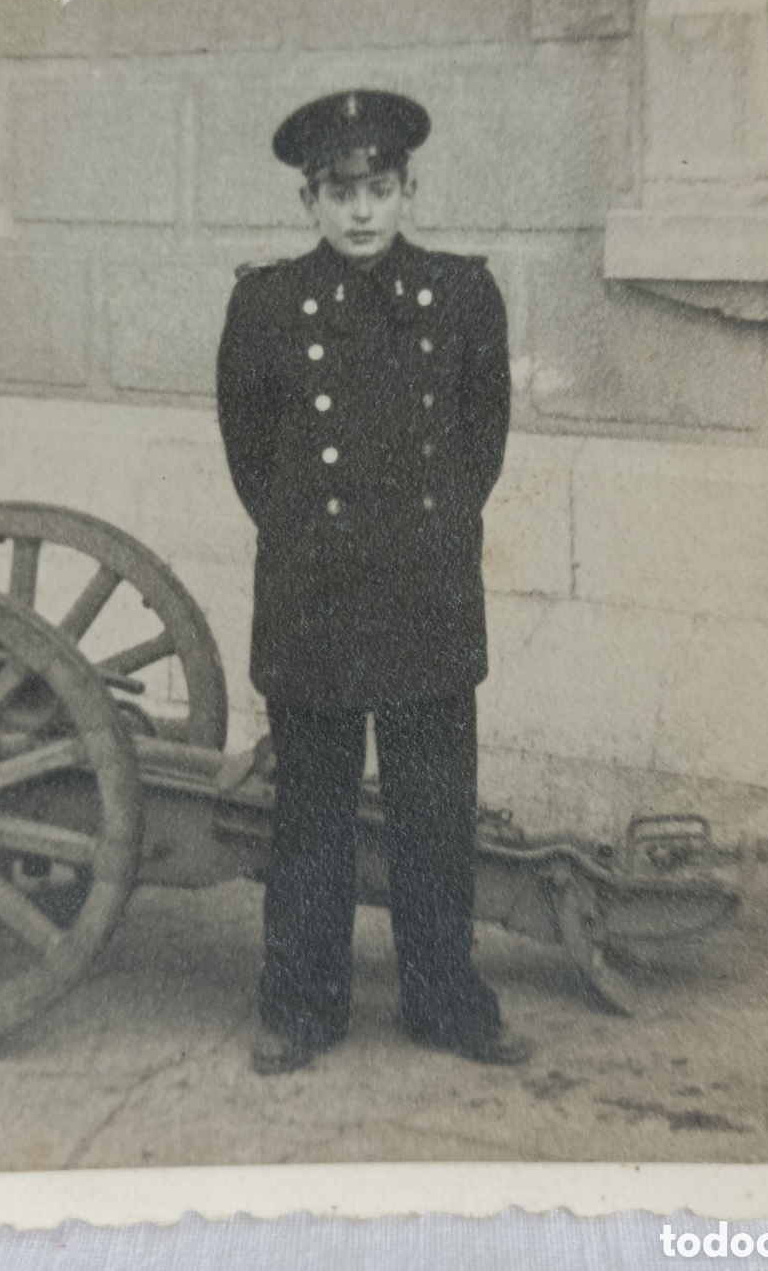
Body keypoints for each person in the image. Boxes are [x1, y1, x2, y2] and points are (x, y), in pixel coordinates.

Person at [216, 88, 529, 1075]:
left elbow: (482, 443)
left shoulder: (463, 293)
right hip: (314, 592)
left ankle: (446, 1001)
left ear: (408, 190)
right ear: (308, 200)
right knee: (312, 813)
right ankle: (302, 1006)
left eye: (380, 188)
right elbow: (251, 453)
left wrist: (419, 537)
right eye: (340, 191)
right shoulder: (264, 304)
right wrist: (318, 537)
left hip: (426, 593)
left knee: (434, 811)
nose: (361, 211)